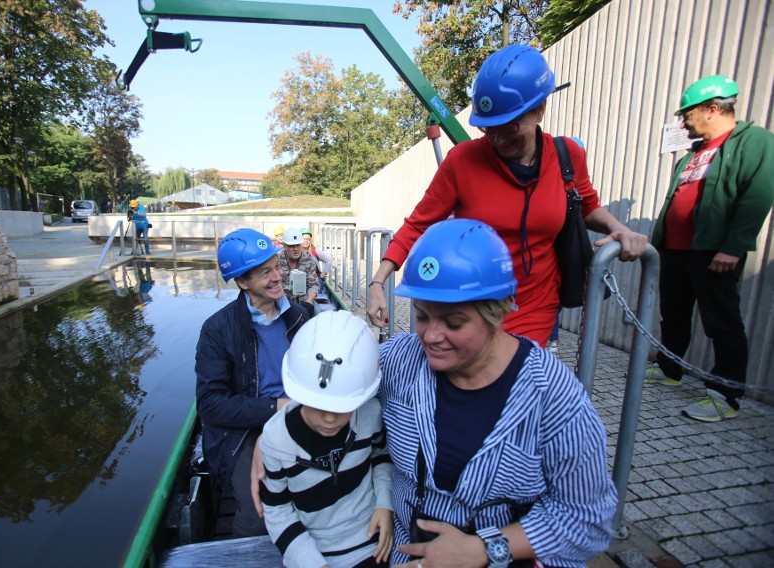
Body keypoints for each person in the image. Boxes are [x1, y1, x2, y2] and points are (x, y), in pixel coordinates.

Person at [256, 219, 617, 568]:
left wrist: (485, 549)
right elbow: (336, 376)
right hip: (401, 552)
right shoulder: (401, 359)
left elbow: (588, 520)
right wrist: (281, 426)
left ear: (497, 313)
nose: (429, 336)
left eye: (454, 323)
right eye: (422, 315)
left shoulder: (552, 395)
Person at [365, 45, 648, 345]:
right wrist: (378, 281)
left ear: (540, 109)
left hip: (537, 307)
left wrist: (619, 229)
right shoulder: (462, 160)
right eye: (488, 129)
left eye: (509, 126)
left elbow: (586, 205)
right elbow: (417, 224)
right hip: (473, 308)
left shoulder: (568, 156)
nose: (498, 139)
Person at [645, 75, 774, 422]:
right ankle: (669, 369)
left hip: (714, 251)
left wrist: (733, 247)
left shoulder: (753, 141)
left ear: (713, 109)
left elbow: (758, 195)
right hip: (676, 250)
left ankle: (725, 395)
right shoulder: (696, 152)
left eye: (688, 114)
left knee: (722, 322)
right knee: (673, 313)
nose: (684, 121)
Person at [196, 227, 310, 537]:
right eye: (264, 273)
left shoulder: (300, 317)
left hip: (301, 416)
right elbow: (211, 405)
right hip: (245, 430)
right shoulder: (217, 330)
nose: (277, 277)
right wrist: (276, 406)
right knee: (259, 512)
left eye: (276, 267)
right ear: (243, 282)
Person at [259, 310, 394, 568]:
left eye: (342, 407)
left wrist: (385, 504)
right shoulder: (277, 440)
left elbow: (381, 457)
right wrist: (309, 561)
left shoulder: (369, 415)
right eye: (317, 405)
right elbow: (277, 508)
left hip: (373, 539)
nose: (330, 419)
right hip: (314, 551)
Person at [278, 228, 320, 318]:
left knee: (317, 311)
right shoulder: (276, 261)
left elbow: (313, 285)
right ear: (284, 246)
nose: (296, 249)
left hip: (304, 300)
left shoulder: (309, 261)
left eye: (298, 245)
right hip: (282, 300)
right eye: (291, 246)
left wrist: (309, 301)